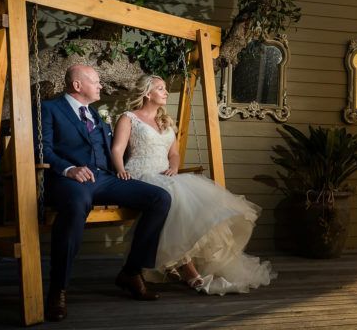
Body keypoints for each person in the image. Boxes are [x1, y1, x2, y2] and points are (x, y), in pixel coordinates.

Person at [111, 74, 275, 295]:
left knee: (194, 201)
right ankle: (187, 269)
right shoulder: (129, 118)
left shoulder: (166, 122)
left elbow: (174, 154)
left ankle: (187, 264)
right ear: (147, 93)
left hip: (167, 175)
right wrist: (120, 170)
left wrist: (174, 167)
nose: (166, 92)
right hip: (141, 174)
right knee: (174, 197)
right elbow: (117, 149)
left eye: (165, 88)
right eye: (160, 88)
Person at [38, 65, 172, 322]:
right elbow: (42, 149)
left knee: (160, 198)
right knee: (77, 204)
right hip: (70, 181)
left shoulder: (95, 115)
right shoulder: (50, 109)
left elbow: (114, 149)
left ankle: (132, 272)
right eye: (96, 81)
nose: (101, 86)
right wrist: (68, 170)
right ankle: (58, 289)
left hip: (105, 179)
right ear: (78, 85)